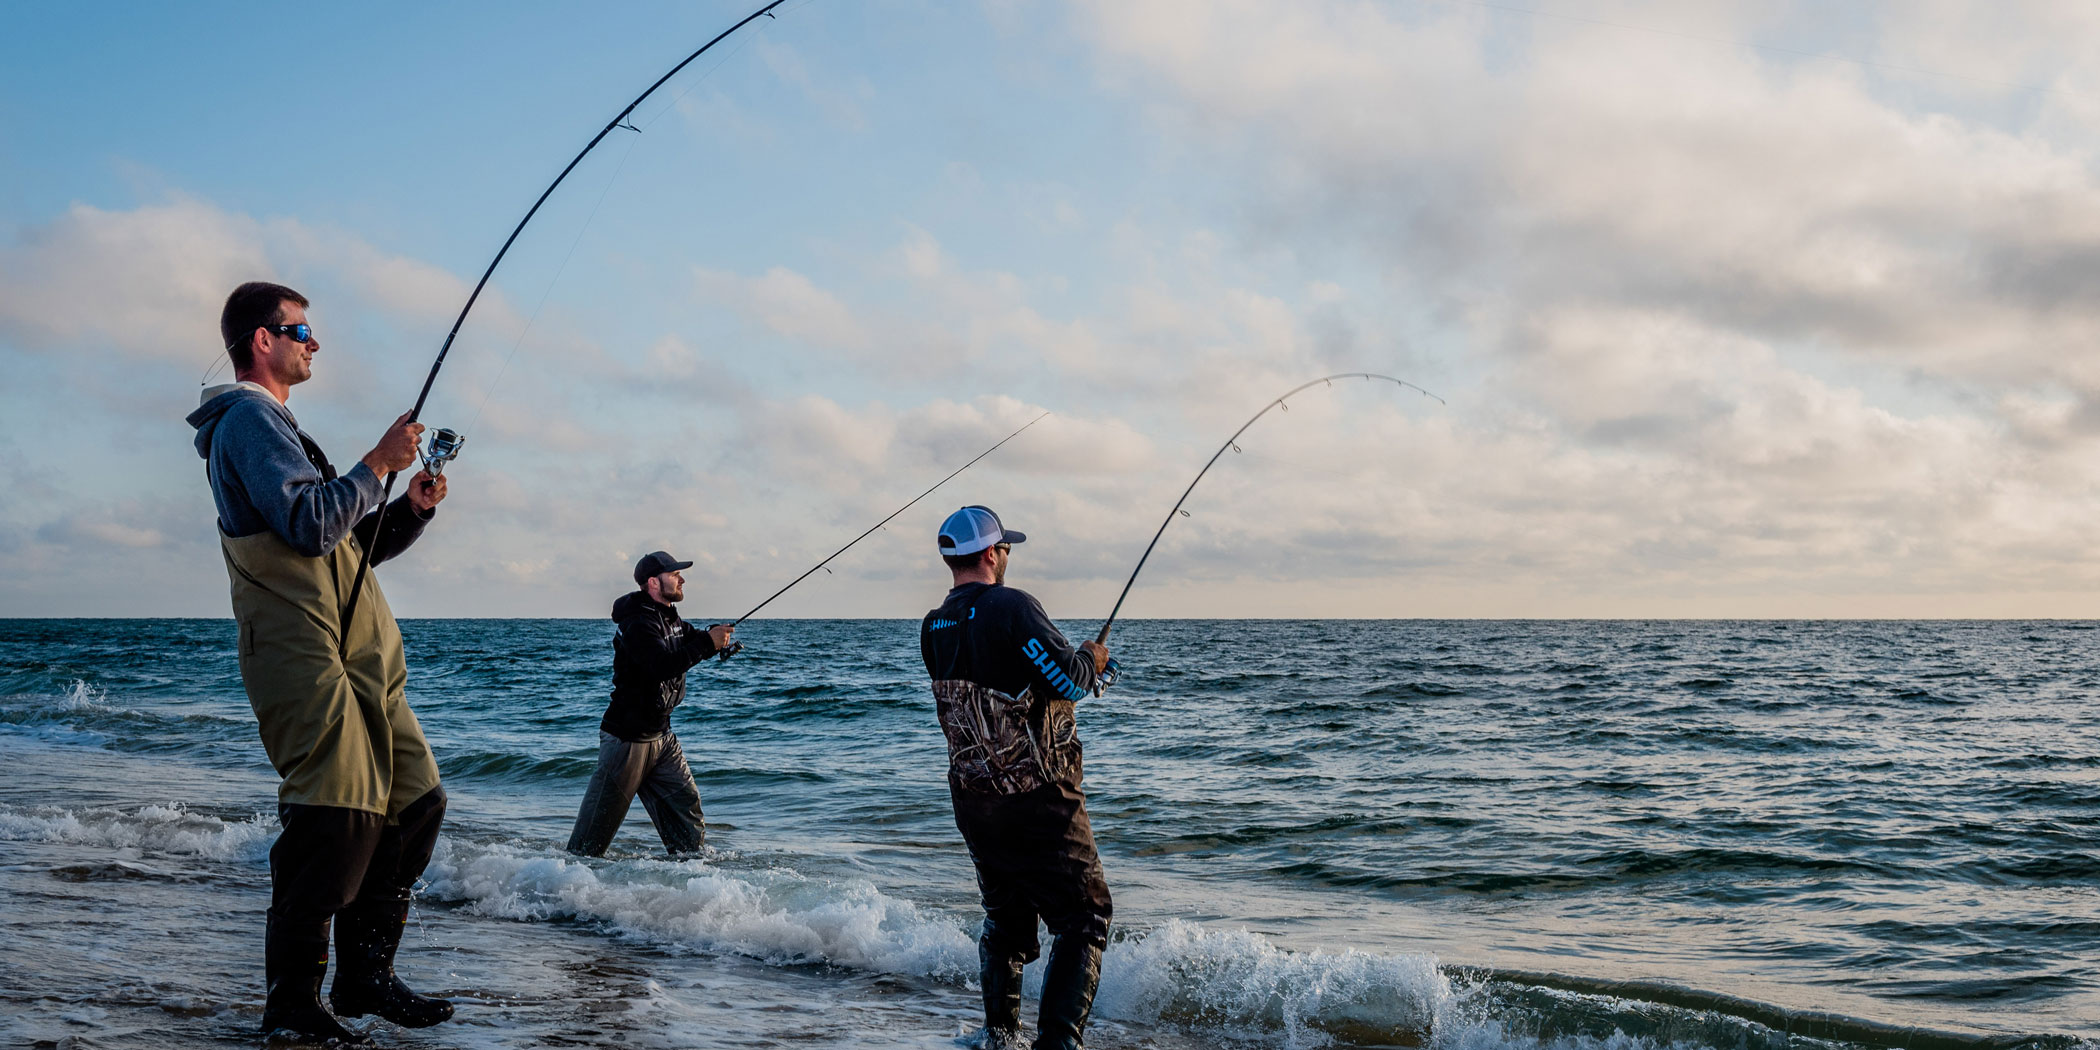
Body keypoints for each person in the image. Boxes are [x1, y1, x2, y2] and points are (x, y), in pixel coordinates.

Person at [186, 282, 454, 1045]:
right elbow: (309, 526)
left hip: (355, 652)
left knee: (415, 802)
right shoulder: (246, 420)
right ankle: (293, 1007)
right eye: (299, 330)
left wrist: (410, 509)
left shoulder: (282, 431)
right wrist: (376, 461)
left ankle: (367, 975)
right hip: (301, 651)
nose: (313, 343)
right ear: (260, 341)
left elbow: (345, 545)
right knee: (334, 819)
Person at [920, 506, 1113, 1050]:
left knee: (1006, 921)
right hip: (1037, 798)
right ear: (990, 554)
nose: (1006, 557)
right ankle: (1058, 1043)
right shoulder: (1012, 606)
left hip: (974, 799)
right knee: (1084, 916)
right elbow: (1067, 681)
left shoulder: (932, 625)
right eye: (1005, 548)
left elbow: (994, 688)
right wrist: (1093, 658)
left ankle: (999, 1037)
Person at [566, 551, 735, 857]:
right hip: (626, 742)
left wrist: (715, 640)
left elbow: (689, 642)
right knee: (590, 842)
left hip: (662, 739)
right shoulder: (639, 622)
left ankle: (691, 885)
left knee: (688, 815)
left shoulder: (670, 617)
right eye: (674, 575)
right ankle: (558, 892)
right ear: (654, 582)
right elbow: (661, 665)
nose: (681, 579)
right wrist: (708, 642)